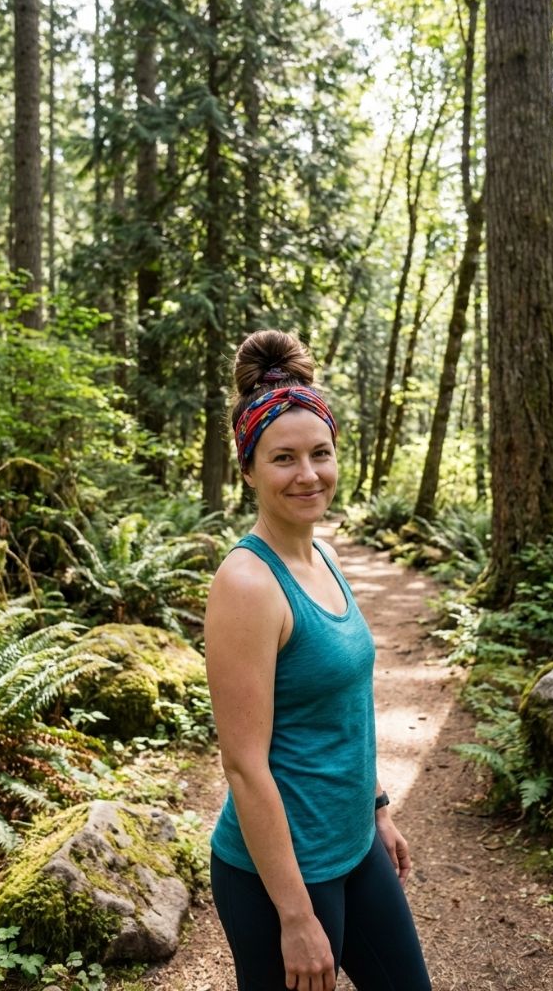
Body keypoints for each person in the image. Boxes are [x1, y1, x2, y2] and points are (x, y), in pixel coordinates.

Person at [205, 329, 432, 991]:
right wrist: (296, 917)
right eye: (282, 458)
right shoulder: (248, 583)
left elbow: (346, 707)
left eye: (319, 453)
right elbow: (244, 766)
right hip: (279, 875)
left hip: (351, 844)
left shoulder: (322, 554)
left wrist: (378, 806)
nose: (307, 474)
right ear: (247, 469)